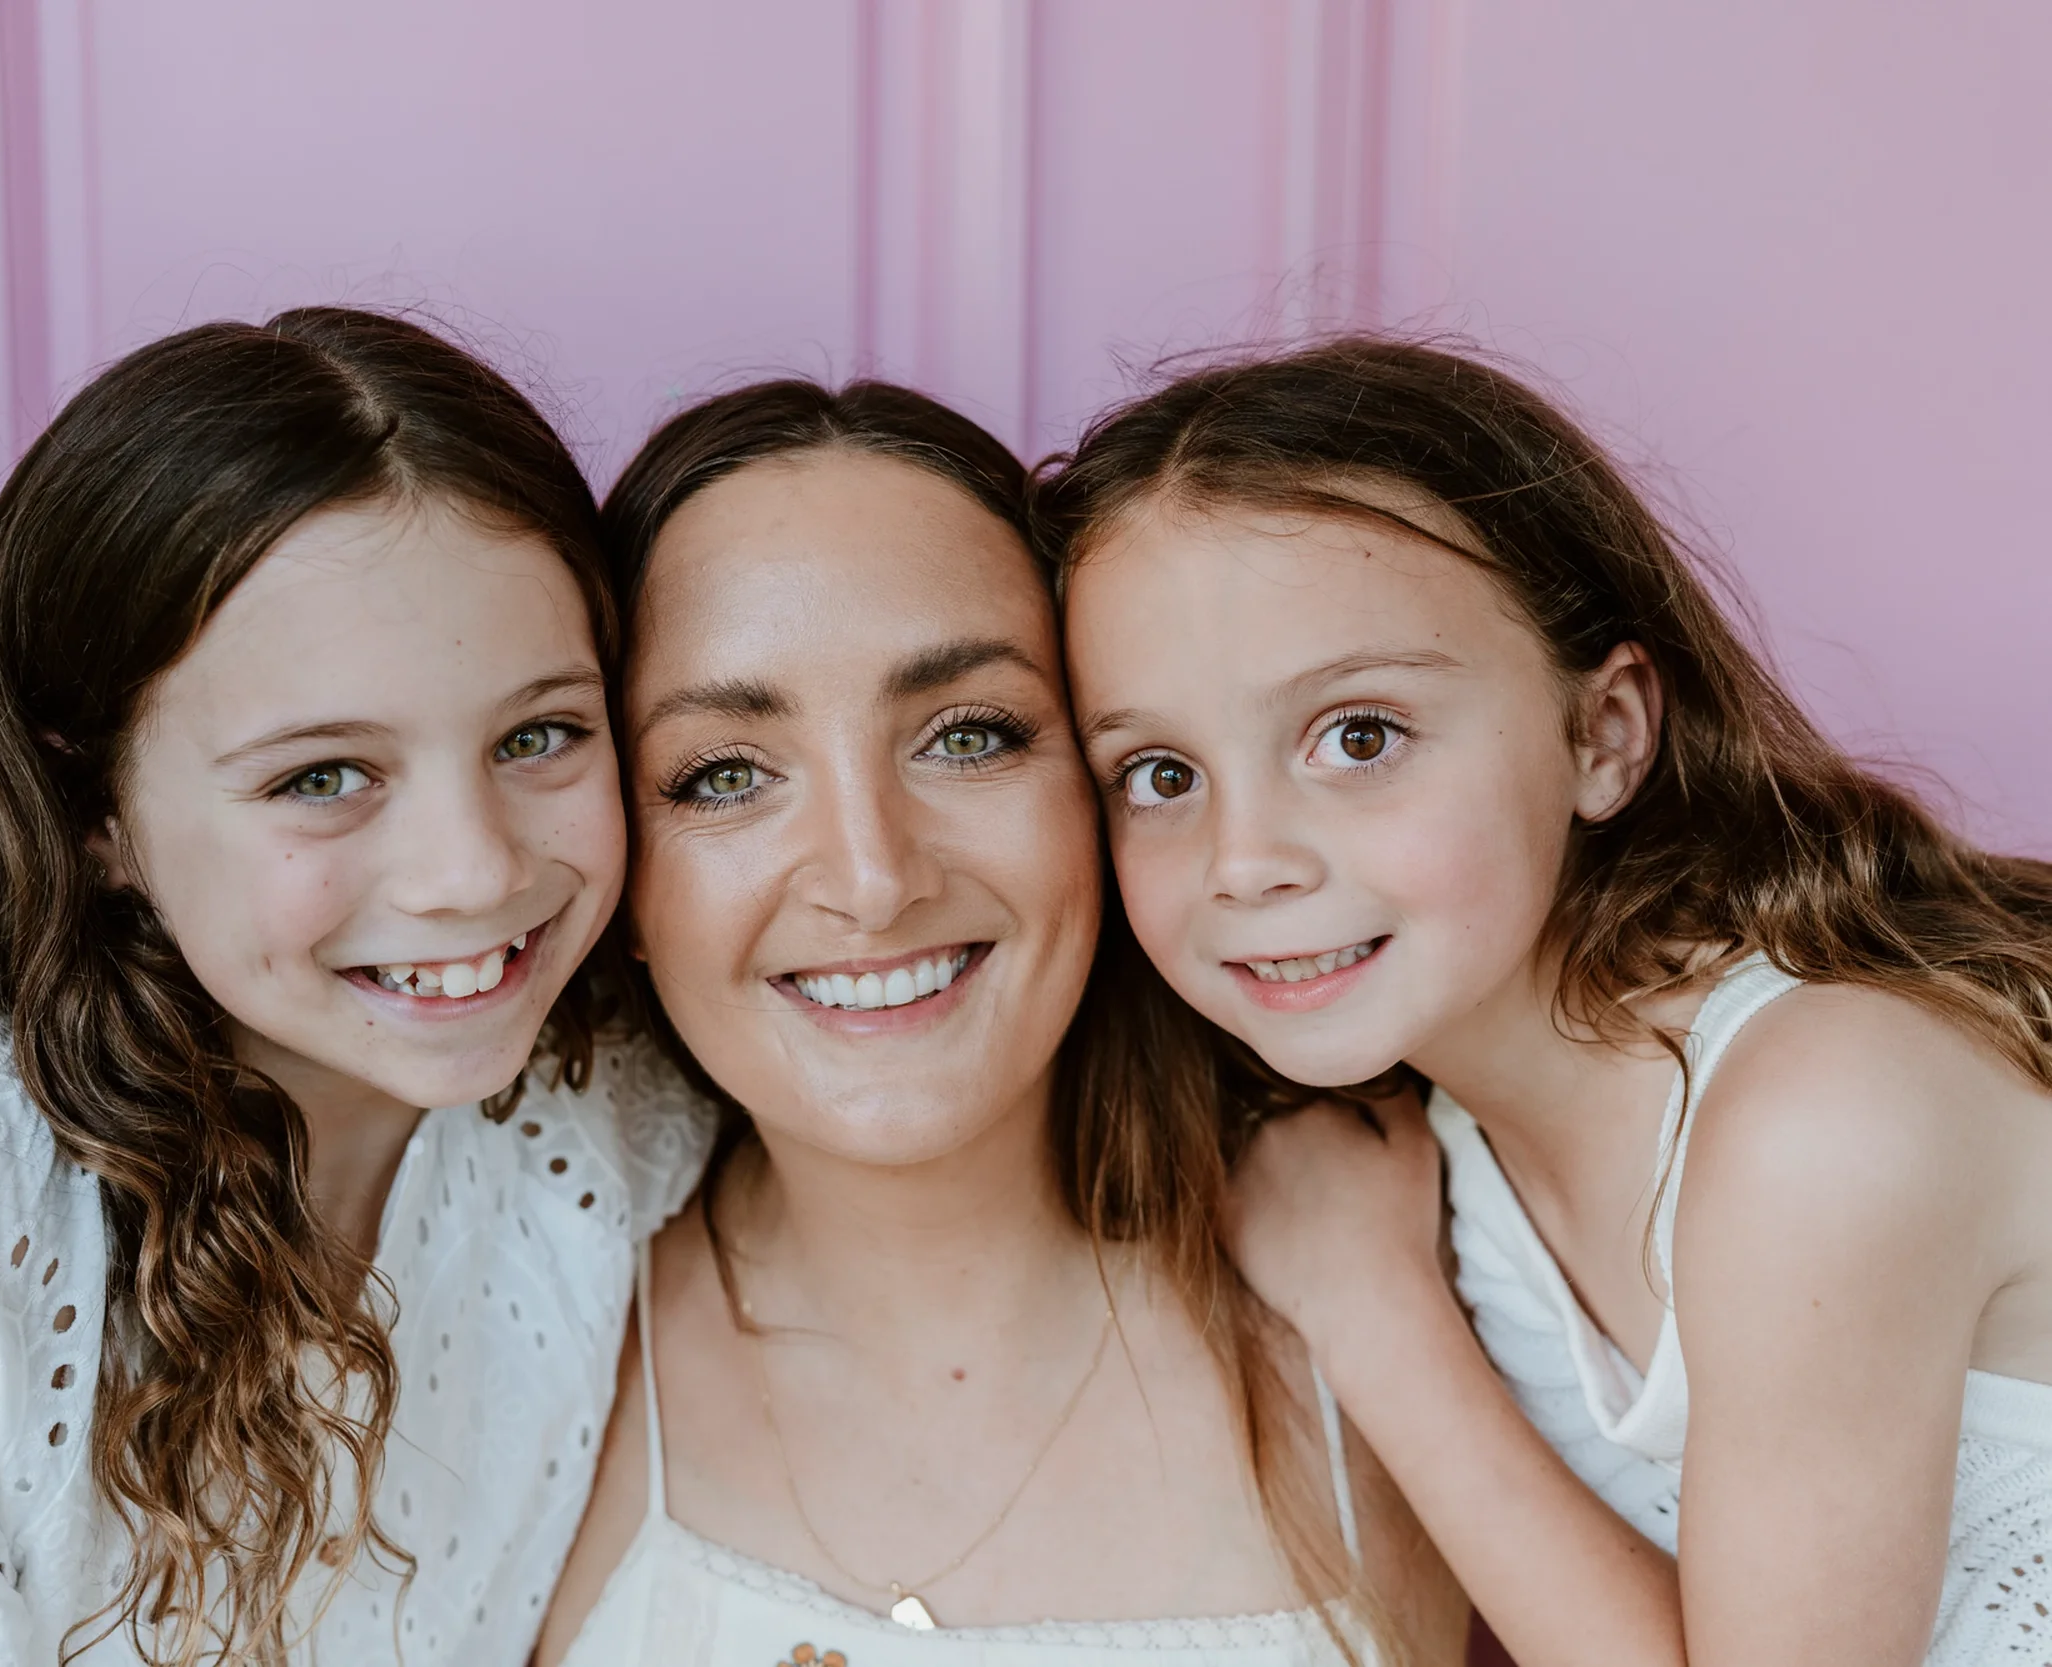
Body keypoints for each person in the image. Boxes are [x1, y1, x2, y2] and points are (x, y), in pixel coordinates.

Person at [0, 307, 711, 1667]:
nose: (470, 870)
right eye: (322, 775)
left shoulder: (616, 1108)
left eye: (540, 733)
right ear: (94, 806)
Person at [1044, 336, 2052, 1665]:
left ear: (1604, 733)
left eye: (1359, 734)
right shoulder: (1424, 1145)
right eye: (1161, 771)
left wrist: (1374, 1312)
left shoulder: (1823, 1111)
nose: (1245, 861)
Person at [536, 380, 1469, 1664]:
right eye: (726, 774)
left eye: (968, 736)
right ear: (618, 870)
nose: (872, 878)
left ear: (1107, 792)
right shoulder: (528, 1333)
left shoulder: (1408, 1271)